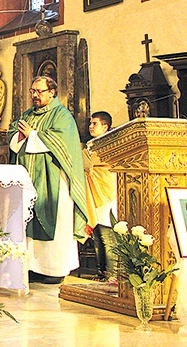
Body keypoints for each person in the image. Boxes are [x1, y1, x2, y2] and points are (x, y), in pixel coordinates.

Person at [8, 75, 87, 284]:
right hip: (28, 179)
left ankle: (56, 268)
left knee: (57, 220)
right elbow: (12, 136)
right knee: (28, 222)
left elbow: (62, 141)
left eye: (39, 91)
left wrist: (33, 135)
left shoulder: (62, 116)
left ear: (52, 92)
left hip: (53, 180)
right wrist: (20, 136)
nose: (34, 95)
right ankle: (33, 266)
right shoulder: (27, 114)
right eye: (32, 91)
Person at [83, 111, 117, 281]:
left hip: (105, 195)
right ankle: (100, 272)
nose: (91, 126)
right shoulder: (90, 145)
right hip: (91, 193)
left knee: (106, 236)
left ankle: (112, 274)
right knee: (96, 236)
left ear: (105, 126)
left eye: (94, 123)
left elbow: (105, 168)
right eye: (90, 123)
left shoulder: (110, 146)